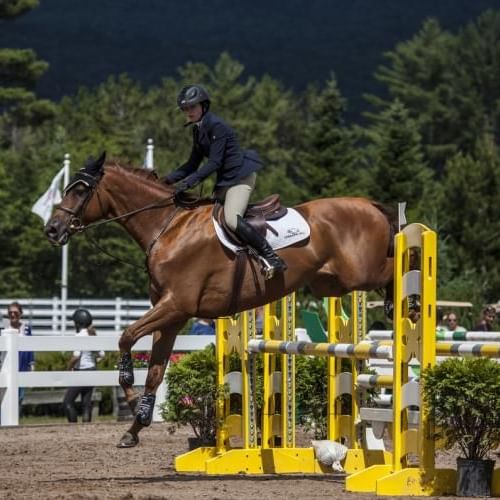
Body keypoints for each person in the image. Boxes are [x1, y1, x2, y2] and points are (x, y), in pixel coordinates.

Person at [162, 84, 287, 279]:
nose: (188, 112)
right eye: (185, 109)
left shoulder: (216, 126)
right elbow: (191, 164)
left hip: (241, 177)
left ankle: (271, 257)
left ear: (203, 106)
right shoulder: (198, 130)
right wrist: (165, 181)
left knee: (231, 218)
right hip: (226, 180)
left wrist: (188, 184)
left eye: (192, 107)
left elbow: (214, 163)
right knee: (206, 215)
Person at [63, 308, 104, 423]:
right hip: (92, 371)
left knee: (67, 402)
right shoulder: (93, 335)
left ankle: (73, 428)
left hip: (81, 372)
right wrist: (92, 360)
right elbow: (101, 355)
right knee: (86, 404)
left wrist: (68, 368)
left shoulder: (79, 336)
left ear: (78, 323)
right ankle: (86, 430)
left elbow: (76, 356)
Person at [6, 302, 35, 412]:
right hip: (6, 369)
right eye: (10, 313)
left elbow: (30, 348)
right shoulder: (4, 328)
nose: (13, 315)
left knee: (19, 398)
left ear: (21, 314)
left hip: (22, 368)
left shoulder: (26, 329)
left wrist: (32, 366)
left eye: (16, 313)